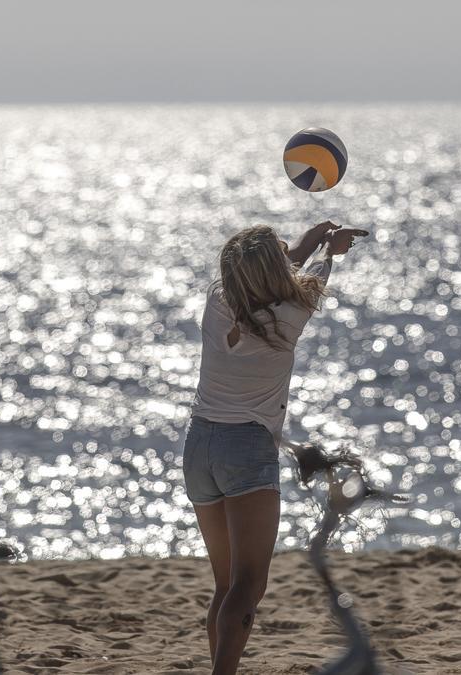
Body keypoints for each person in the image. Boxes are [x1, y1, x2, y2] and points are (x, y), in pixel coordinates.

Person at [184, 221, 368, 674]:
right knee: (248, 586)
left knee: (226, 585)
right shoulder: (291, 313)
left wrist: (304, 245)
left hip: (199, 444)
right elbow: (304, 280)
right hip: (246, 447)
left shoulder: (217, 301)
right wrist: (331, 250)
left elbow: (269, 278)